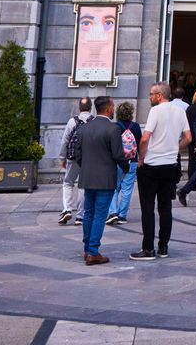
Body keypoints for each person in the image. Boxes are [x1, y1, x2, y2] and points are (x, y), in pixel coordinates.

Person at [131, 81, 192, 261]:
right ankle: (163, 246)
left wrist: (141, 157)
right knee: (165, 208)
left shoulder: (155, 111)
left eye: (151, 94)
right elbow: (188, 137)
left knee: (148, 208)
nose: (150, 97)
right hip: (170, 164)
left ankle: (148, 248)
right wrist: (174, 147)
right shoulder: (180, 111)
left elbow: (145, 138)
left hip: (151, 165)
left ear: (159, 95)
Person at [76, 96, 126, 266]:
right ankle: (93, 251)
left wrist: (86, 168)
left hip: (87, 177)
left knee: (88, 213)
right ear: (109, 108)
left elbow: (77, 155)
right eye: (113, 106)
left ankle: (87, 248)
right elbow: (118, 155)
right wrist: (127, 168)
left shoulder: (84, 128)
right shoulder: (113, 129)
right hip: (105, 178)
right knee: (99, 214)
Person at [58, 95, 93, 226]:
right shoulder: (93, 121)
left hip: (72, 158)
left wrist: (62, 157)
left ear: (79, 107)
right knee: (82, 186)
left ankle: (67, 209)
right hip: (88, 159)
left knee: (68, 183)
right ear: (90, 107)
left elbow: (65, 141)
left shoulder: (72, 121)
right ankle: (80, 216)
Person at [105, 101, 142, 226]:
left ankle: (113, 212)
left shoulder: (115, 126)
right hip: (132, 161)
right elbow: (140, 144)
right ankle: (122, 216)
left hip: (117, 162)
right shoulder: (136, 127)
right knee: (127, 189)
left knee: (113, 188)